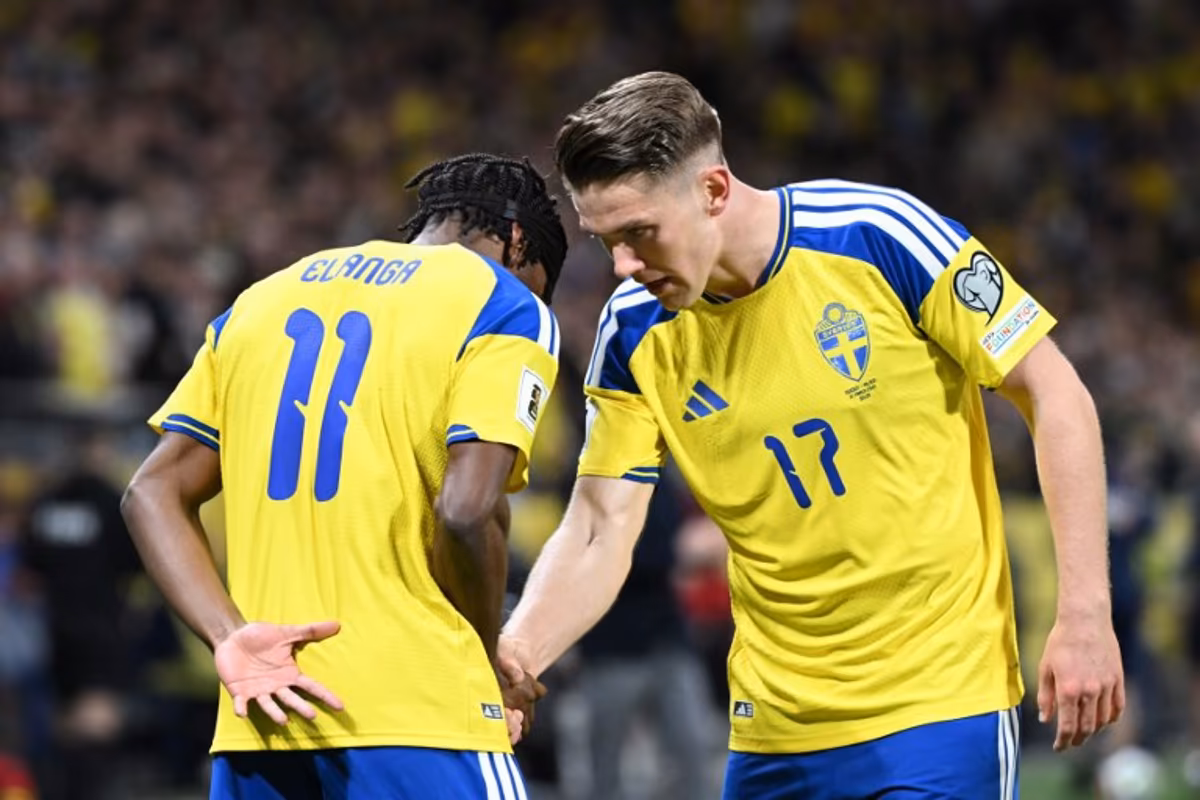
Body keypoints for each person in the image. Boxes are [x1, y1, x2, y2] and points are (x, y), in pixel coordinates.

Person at [499, 72, 1124, 798]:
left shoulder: (878, 236)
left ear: (713, 190)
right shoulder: (634, 331)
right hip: (775, 731)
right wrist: (518, 656)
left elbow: (1055, 393)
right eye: (606, 240)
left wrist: (1084, 615)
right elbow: (600, 526)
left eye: (640, 233)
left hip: (939, 705)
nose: (625, 267)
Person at [121, 153, 567, 799]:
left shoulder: (261, 299)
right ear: (518, 240)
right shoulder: (503, 303)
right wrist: (487, 658)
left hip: (265, 716)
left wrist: (229, 637)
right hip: (420, 713)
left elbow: (150, 491)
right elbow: (466, 508)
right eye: (539, 281)